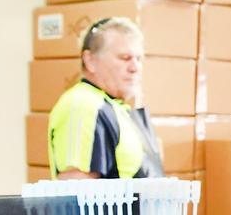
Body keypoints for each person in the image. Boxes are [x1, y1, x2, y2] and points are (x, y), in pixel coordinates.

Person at [48, 17, 164, 179]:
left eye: (139, 59)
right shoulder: (83, 106)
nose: (135, 67)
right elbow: (76, 194)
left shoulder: (114, 107)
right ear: (90, 61)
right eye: (125, 58)